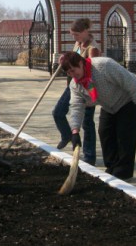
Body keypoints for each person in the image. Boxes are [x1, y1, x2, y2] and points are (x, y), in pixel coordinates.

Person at [60, 51, 136, 180]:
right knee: (105, 133)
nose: (73, 75)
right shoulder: (76, 84)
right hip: (109, 106)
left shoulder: (104, 66)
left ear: (80, 63)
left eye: (74, 70)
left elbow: (130, 81)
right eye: (69, 73)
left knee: (125, 137)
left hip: (128, 101)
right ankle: (111, 167)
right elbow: (76, 106)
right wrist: (75, 131)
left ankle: (123, 173)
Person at [53, 18, 101, 165]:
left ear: (86, 31)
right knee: (58, 112)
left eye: (76, 35)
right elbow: (74, 58)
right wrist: (65, 59)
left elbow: (93, 69)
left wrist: (90, 96)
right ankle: (67, 135)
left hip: (87, 89)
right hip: (73, 85)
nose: (74, 38)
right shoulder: (79, 43)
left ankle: (89, 157)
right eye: (72, 35)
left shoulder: (93, 49)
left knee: (87, 122)